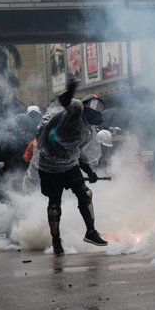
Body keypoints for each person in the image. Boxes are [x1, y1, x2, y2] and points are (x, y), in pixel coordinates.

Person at [34, 80, 107, 256]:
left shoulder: (88, 132)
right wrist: (72, 88)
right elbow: (66, 100)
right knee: (54, 204)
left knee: (86, 194)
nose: (95, 110)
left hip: (70, 164)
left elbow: (78, 151)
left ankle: (91, 232)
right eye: (93, 106)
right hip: (50, 166)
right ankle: (56, 239)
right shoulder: (75, 111)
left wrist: (89, 171)